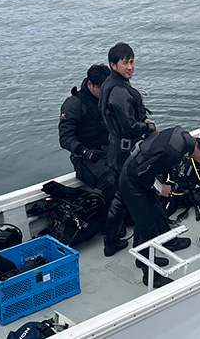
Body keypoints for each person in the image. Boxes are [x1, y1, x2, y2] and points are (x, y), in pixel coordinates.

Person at [117, 127, 200, 288]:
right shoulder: (174, 153)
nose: (199, 163)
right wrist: (159, 188)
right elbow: (140, 173)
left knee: (152, 215)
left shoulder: (183, 136)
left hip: (140, 174)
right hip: (132, 182)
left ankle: (143, 256)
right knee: (147, 227)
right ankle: (150, 275)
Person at [58, 64, 128, 257]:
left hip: (110, 151)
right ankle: (111, 228)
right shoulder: (73, 104)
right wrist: (84, 151)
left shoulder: (109, 98)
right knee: (111, 181)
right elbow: (65, 138)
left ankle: (128, 214)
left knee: (135, 172)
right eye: (101, 89)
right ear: (90, 84)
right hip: (85, 159)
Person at [99, 42, 158, 172]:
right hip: (125, 153)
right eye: (125, 63)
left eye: (132, 62)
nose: (130, 67)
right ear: (113, 65)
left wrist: (143, 120)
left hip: (116, 149)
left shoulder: (110, 82)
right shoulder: (118, 91)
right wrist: (150, 127)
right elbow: (129, 128)